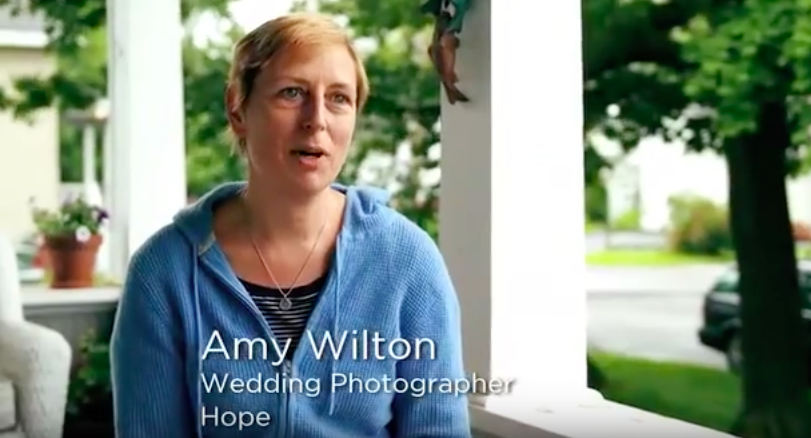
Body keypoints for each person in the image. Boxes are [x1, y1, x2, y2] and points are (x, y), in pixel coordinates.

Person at [110, 12, 471, 438]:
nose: (316, 119)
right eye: (292, 92)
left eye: (339, 98)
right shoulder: (163, 272)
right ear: (237, 108)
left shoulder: (406, 261)